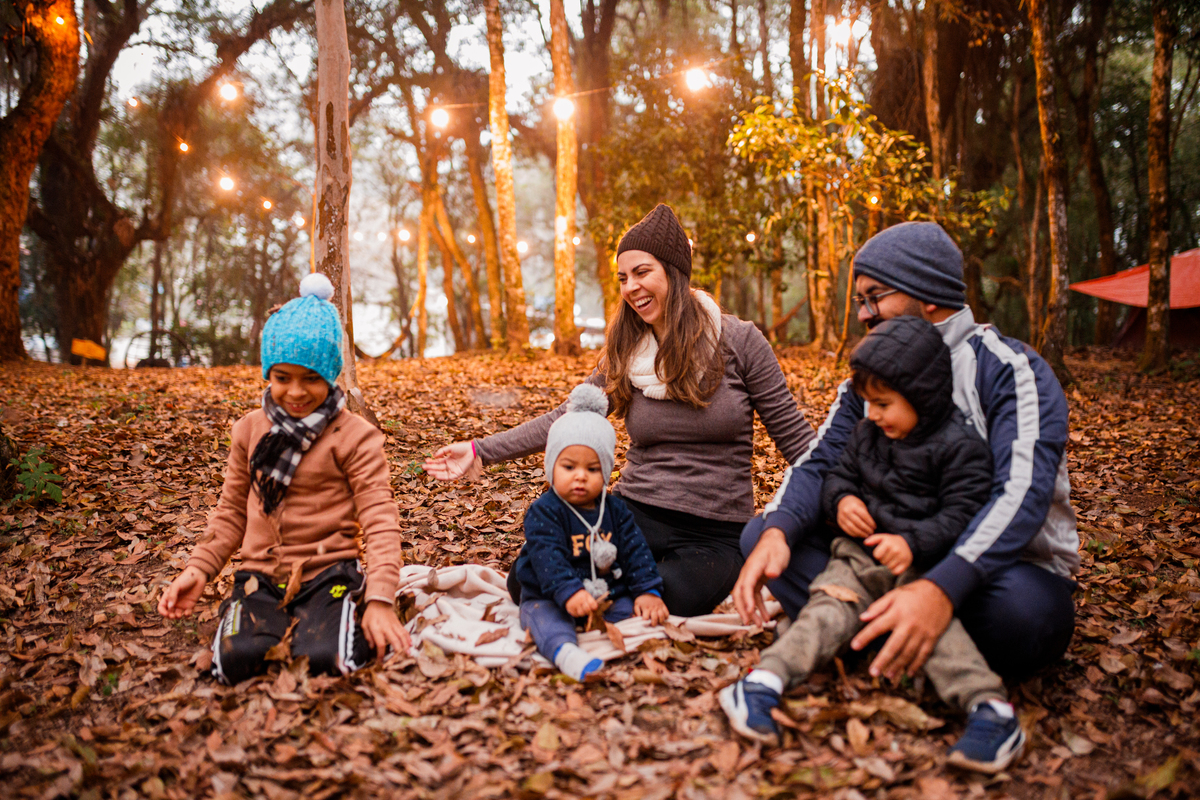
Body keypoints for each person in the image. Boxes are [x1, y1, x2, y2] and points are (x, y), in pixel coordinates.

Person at [424, 204, 816, 616]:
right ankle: (608, 591)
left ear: (673, 272)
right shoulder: (629, 349)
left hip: (712, 532)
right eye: (623, 278)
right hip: (630, 516)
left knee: (674, 594)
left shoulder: (740, 342)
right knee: (527, 579)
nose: (631, 287)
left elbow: (798, 442)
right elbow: (569, 417)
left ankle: (608, 592)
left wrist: (844, 498)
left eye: (642, 272)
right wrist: (480, 450)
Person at [734, 221, 1080, 685]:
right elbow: (821, 461)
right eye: (860, 300)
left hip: (1000, 568)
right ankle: (916, 645)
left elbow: (1022, 491)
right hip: (881, 559)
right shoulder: (868, 379)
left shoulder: (1009, 370)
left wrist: (942, 586)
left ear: (928, 293)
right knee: (765, 537)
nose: (863, 314)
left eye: (874, 297)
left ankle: (852, 628)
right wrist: (781, 528)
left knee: (1027, 617)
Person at [721, 316, 1024, 773]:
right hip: (856, 559)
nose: (875, 415)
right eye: (869, 404)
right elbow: (836, 474)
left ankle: (990, 710)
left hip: (921, 569)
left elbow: (965, 512)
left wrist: (913, 542)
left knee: (940, 636)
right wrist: (841, 501)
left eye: (884, 404)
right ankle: (764, 681)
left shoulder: (961, 448)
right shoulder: (868, 433)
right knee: (826, 610)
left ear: (923, 395)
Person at [158, 274, 411, 684]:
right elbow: (231, 513)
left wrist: (380, 596)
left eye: (311, 378)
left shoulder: (355, 436)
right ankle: (248, 618)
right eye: (283, 377)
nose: (296, 392)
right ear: (267, 374)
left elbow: (380, 518)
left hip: (329, 574)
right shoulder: (249, 430)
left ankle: (342, 615)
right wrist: (199, 570)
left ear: (331, 375)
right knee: (234, 663)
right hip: (261, 575)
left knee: (331, 659)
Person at [512, 384, 668, 681]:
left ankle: (635, 646)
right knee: (546, 621)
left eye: (593, 469)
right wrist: (568, 591)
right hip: (549, 594)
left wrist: (647, 590)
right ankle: (566, 654)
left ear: (606, 472)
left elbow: (636, 551)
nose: (580, 476)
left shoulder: (615, 510)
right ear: (552, 467)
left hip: (604, 592)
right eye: (569, 467)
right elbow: (548, 558)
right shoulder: (545, 511)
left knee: (634, 613)